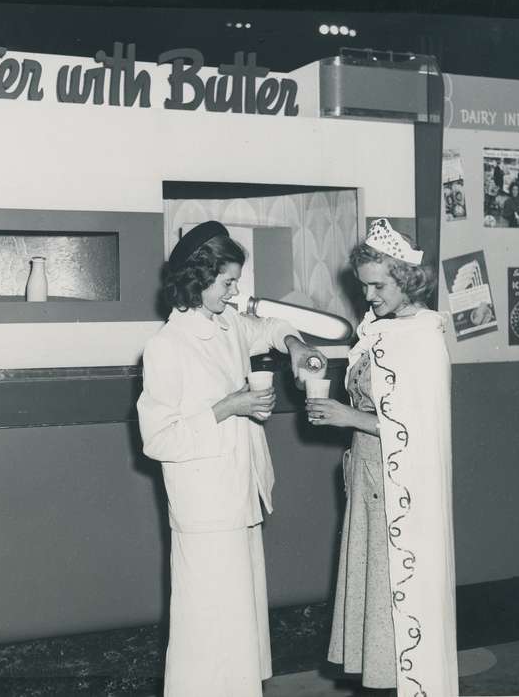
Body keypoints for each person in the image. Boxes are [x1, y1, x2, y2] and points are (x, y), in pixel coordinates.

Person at [137, 220, 326, 697]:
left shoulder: (227, 325)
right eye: (228, 282)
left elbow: (274, 328)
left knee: (238, 628)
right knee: (207, 632)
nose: (235, 291)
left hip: (240, 495)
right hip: (205, 509)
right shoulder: (166, 347)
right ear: (198, 279)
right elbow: (158, 439)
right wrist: (230, 406)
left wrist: (296, 347)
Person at [305, 218, 458, 697]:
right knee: (379, 606)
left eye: (379, 286)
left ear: (407, 281)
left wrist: (347, 417)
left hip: (399, 489)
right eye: (364, 286)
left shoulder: (422, 337)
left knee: (399, 603)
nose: (368, 296)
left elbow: (420, 431)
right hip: (370, 479)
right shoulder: (383, 329)